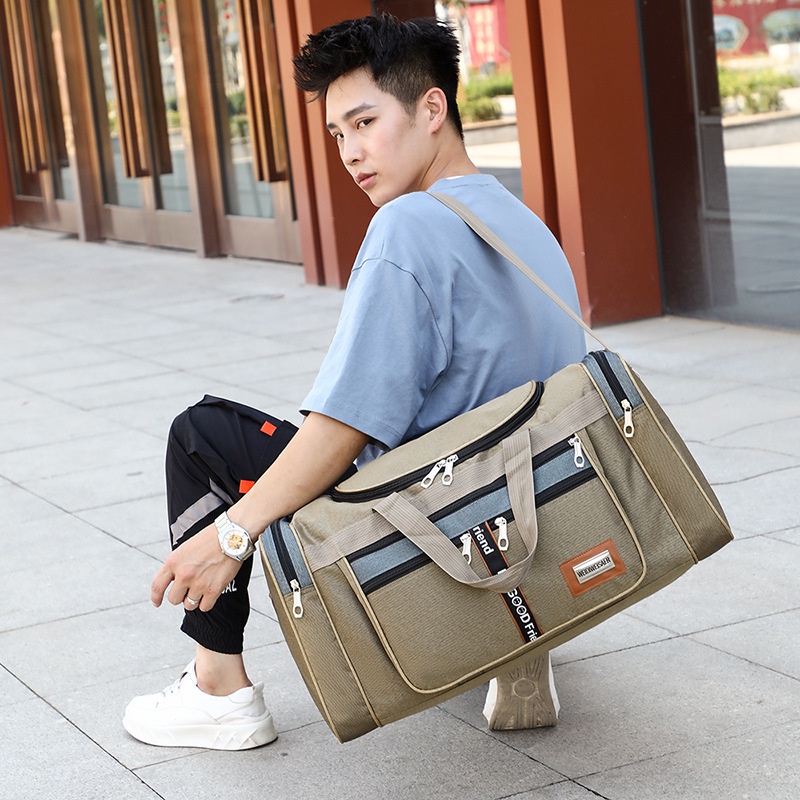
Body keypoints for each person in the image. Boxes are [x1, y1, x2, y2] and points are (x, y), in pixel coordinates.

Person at [123, 14, 586, 751]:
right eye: (338, 133)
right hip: (544, 517)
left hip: (433, 534)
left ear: (431, 109)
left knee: (203, 436)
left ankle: (218, 691)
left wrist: (232, 535)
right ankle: (516, 623)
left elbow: (343, 427)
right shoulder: (518, 220)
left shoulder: (408, 226)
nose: (350, 152)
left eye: (365, 123)